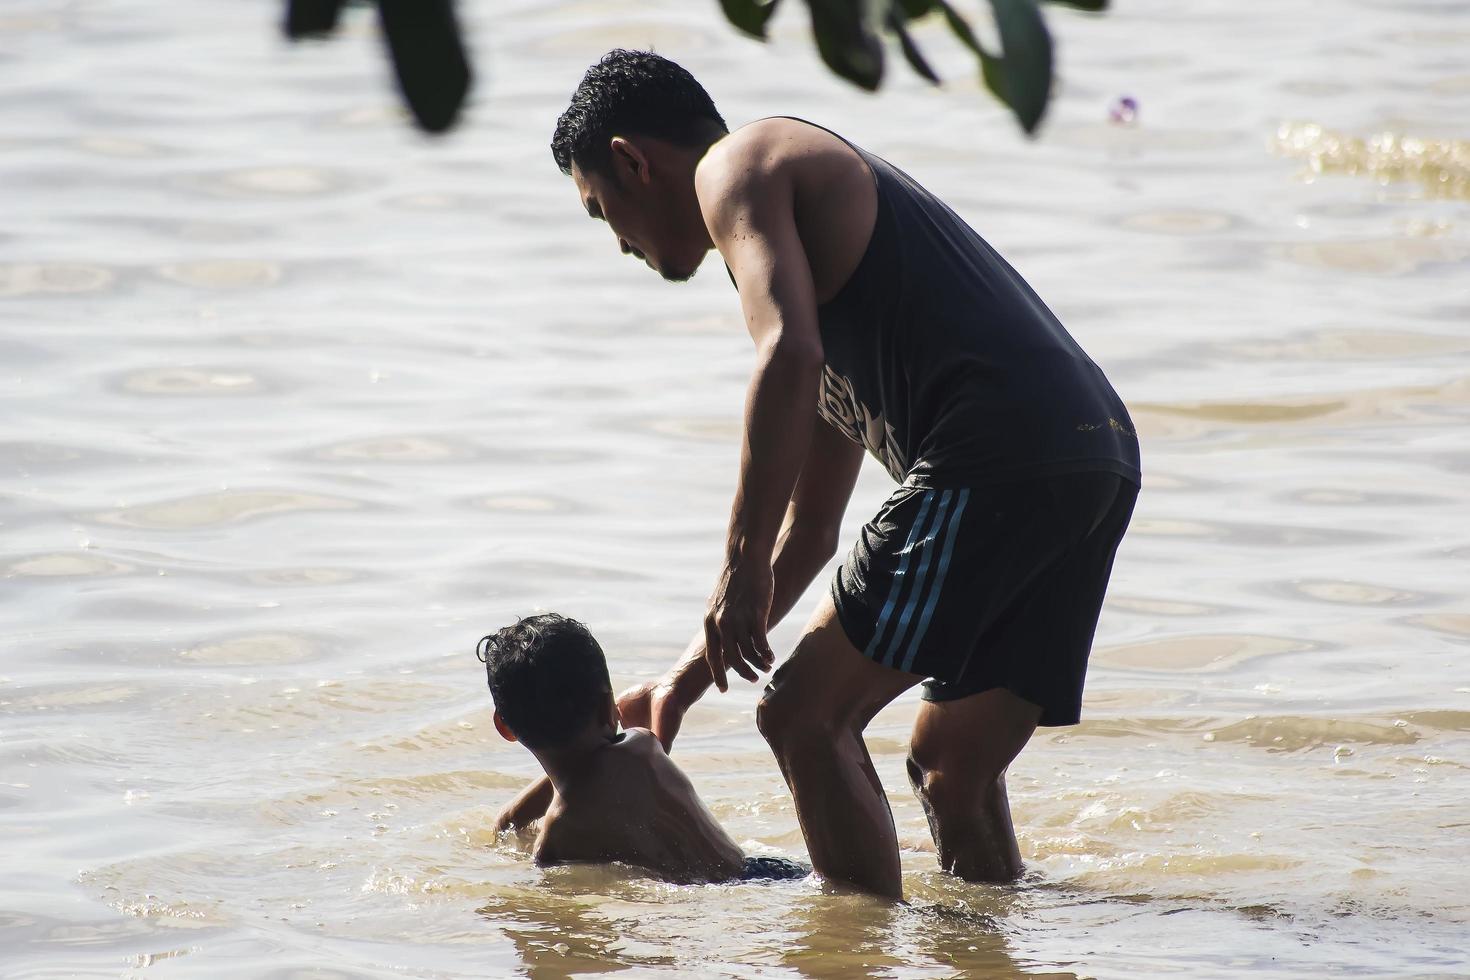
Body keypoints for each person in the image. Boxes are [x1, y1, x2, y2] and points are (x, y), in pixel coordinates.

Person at [514, 49, 1141, 899]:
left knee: (803, 714)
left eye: (602, 212)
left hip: (1001, 446)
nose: (620, 245)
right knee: (951, 765)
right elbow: (809, 531)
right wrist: (683, 681)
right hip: (1092, 453)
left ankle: (852, 953)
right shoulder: (811, 275)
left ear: (634, 161)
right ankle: (987, 951)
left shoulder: (741, 165)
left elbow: (786, 355)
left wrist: (734, 567)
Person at [479, 613, 808, 884]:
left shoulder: (557, 838)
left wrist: (505, 821)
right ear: (609, 706)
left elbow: (552, 799)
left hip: (708, 898)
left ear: (504, 727)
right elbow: (586, 773)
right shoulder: (642, 746)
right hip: (767, 873)